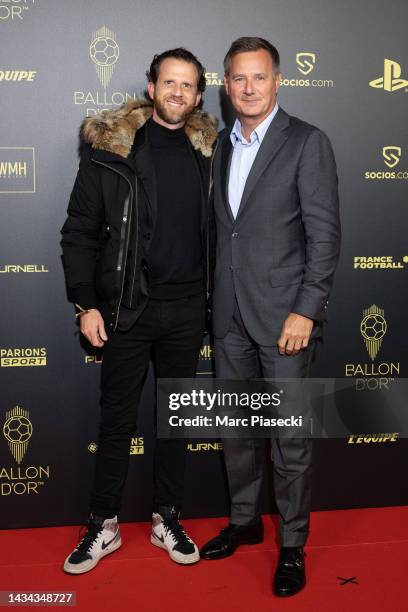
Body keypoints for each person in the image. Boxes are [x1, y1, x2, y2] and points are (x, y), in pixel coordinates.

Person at [60, 48, 217, 574]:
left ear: (198, 95)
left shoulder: (211, 155)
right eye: (169, 82)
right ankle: (102, 524)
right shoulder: (112, 152)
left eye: (188, 85)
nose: (178, 93)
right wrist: (86, 303)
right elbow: (78, 233)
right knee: (117, 421)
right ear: (151, 87)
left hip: (189, 310)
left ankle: (166, 517)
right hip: (127, 310)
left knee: (175, 420)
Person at [200, 37, 341, 597]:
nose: (249, 88)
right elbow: (221, 231)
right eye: (238, 78)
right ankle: (244, 521)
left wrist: (306, 309)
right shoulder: (219, 147)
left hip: (285, 319)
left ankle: (293, 544)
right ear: (226, 85)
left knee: (288, 438)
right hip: (228, 317)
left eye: (259, 77)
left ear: (278, 81)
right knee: (235, 431)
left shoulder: (307, 142)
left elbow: (324, 235)